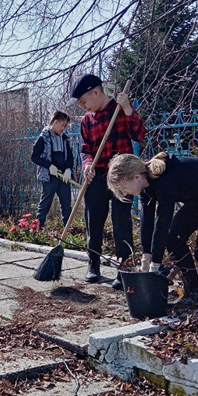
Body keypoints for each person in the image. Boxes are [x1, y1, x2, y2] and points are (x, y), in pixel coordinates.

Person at [107, 152, 198, 304]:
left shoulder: (164, 181)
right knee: (173, 239)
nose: (125, 192)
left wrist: (155, 266)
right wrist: (146, 257)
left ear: (136, 177)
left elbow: (162, 223)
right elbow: (147, 223)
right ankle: (194, 292)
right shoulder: (146, 185)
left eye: (123, 187)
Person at [68, 74, 146, 289]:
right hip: (97, 176)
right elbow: (85, 149)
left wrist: (128, 110)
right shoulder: (87, 120)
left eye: (83, 101)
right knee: (93, 221)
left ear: (96, 92)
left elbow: (138, 135)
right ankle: (93, 265)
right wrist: (87, 165)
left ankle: (124, 269)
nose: (83, 107)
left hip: (123, 177)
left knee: (122, 223)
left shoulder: (121, 109)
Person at [30, 110, 74, 227]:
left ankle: (67, 228)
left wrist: (68, 170)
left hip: (63, 177)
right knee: (45, 202)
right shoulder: (43, 138)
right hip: (49, 177)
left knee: (66, 204)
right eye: (63, 125)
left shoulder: (65, 139)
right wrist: (49, 166)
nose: (64, 128)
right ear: (55, 122)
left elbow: (70, 157)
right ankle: (38, 227)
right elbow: (34, 157)